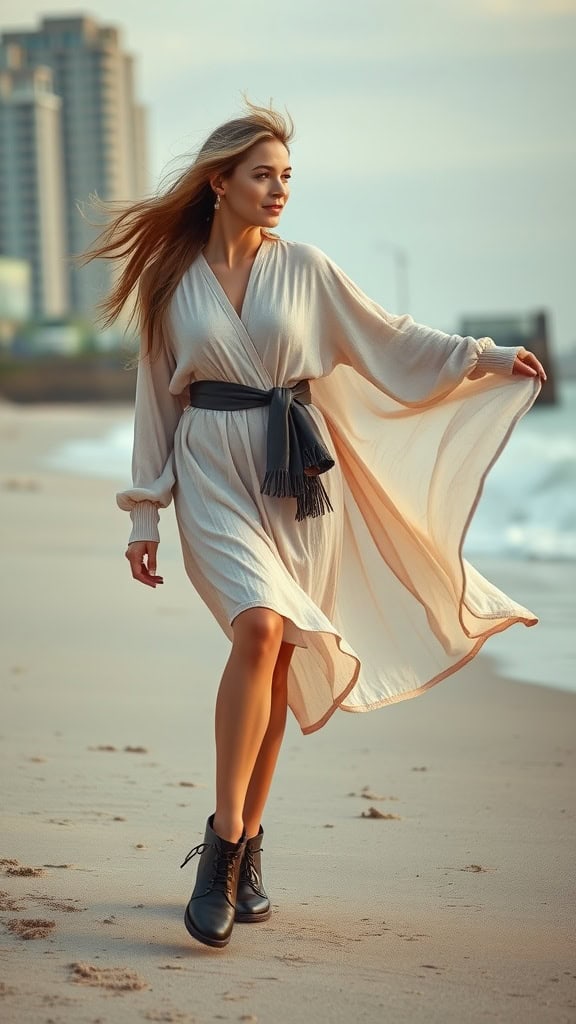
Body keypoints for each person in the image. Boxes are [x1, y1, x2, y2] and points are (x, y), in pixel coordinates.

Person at [81, 101, 546, 950]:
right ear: (218, 182)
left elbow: (388, 339)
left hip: (297, 474)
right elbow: (156, 397)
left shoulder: (308, 269)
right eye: (263, 174)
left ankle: (247, 845)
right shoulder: (170, 280)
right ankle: (221, 849)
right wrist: (144, 513)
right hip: (213, 470)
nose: (279, 189)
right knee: (258, 627)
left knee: (285, 652)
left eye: (287, 176)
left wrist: (482, 355)